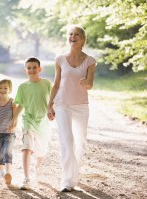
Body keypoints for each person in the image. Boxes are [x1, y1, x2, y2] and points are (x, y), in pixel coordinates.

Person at [47, 25, 97, 192]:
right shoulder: (60, 59)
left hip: (81, 106)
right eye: (70, 34)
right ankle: (68, 181)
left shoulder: (90, 61)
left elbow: (90, 84)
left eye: (76, 34)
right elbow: (56, 84)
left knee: (80, 143)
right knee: (67, 141)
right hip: (62, 104)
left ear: (82, 39)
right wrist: (50, 104)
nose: (73, 37)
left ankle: (73, 173)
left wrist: (86, 83)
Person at [9, 57, 52, 190]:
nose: (32, 70)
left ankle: (37, 167)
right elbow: (20, 105)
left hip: (43, 122)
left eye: (34, 67)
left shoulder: (47, 84)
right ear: (25, 70)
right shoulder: (23, 87)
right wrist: (13, 119)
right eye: (29, 68)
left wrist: (52, 111)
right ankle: (26, 178)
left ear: (40, 69)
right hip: (28, 120)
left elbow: (52, 101)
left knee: (40, 153)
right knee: (27, 148)